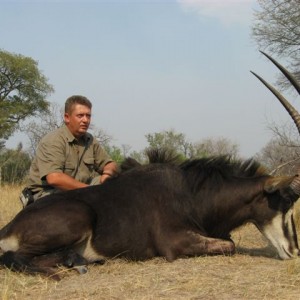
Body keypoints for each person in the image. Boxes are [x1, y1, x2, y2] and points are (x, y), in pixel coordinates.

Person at [20, 95, 118, 207]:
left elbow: (110, 164)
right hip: (50, 193)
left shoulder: (90, 140)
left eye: (88, 116)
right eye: (80, 116)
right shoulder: (53, 140)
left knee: (115, 185)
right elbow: (54, 179)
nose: (85, 120)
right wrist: (91, 192)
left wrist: (107, 173)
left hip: (81, 190)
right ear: (67, 117)